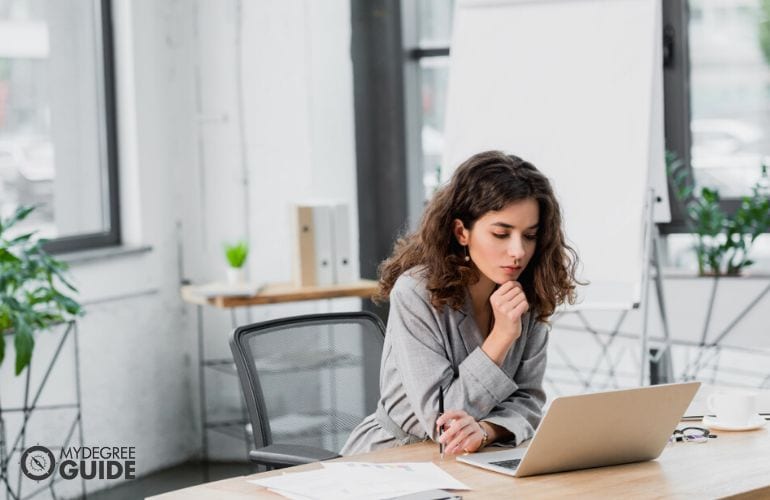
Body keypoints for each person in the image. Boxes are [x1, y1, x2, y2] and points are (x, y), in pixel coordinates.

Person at [341, 150, 580, 456]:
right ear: (461, 232)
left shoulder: (528, 294)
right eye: (501, 233)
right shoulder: (415, 293)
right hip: (397, 457)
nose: (518, 251)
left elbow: (529, 402)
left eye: (530, 235)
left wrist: (486, 431)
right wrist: (501, 337)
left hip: (483, 453)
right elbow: (443, 420)